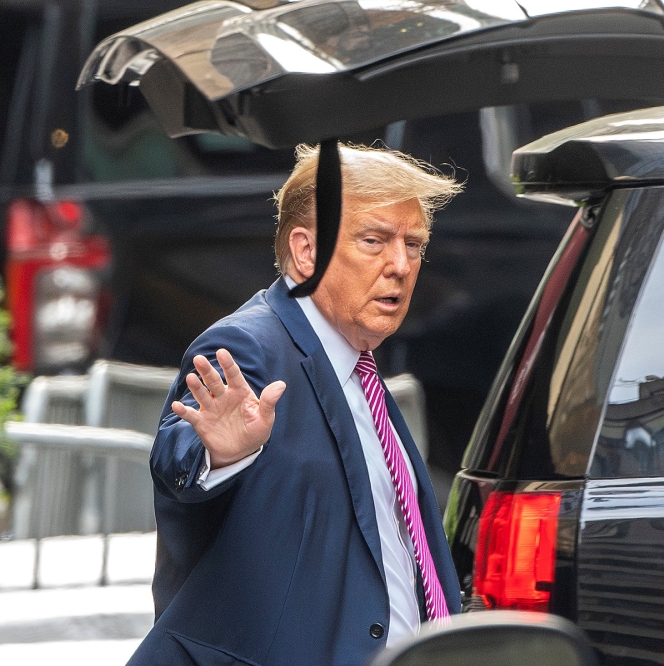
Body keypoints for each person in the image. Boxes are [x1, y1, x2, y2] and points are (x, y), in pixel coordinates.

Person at [128, 143, 464, 666]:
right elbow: (179, 459)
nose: (399, 265)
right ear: (307, 252)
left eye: (414, 245)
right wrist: (220, 455)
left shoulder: (360, 366)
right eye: (374, 240)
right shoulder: (248, 346)